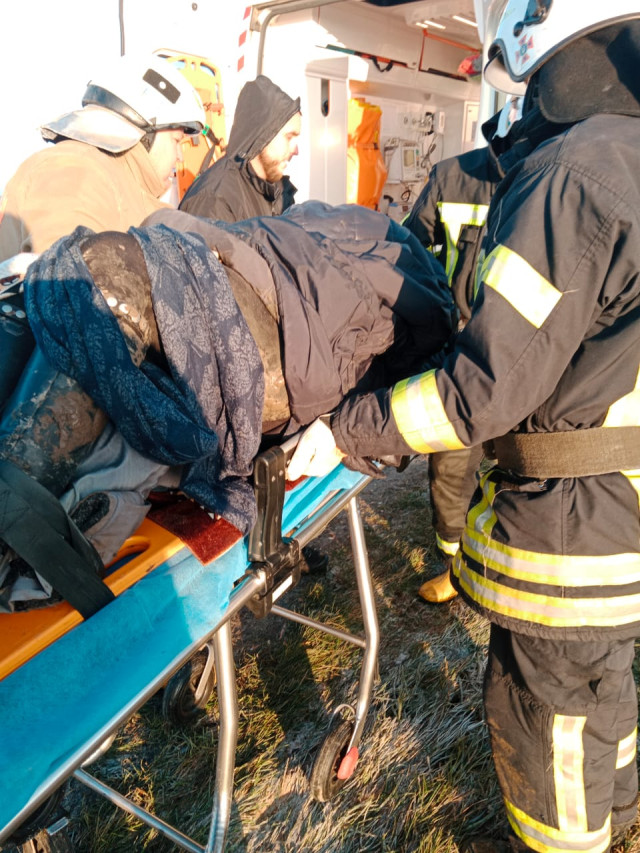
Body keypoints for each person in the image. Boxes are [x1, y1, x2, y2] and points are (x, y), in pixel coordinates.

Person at [287, 4, 640, 851]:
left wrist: (349, 428)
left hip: (569, 526)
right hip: (621, 510)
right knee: (605, 692)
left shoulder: (573, 175)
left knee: (545, 717)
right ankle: (620, 813)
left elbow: (480, 390)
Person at [403, 96, 522, 604]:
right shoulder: (452, 177)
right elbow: (410, 252)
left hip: (527, 352)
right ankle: (455, 566)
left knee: (521, 464)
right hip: (462, 351)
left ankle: (508, 559)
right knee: (451, 467)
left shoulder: (552, 180)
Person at [0, 53, 206, 260]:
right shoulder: (76, 170)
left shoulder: (122, 186)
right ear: (146, 132)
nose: (180, 156)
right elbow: (70, 269)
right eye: (176, 141)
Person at [179, 75, 300, 222]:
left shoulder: (276, 193)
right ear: (263, 133)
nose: (296, 150)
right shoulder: (214, 200)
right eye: (289, 137)